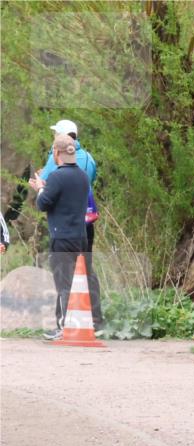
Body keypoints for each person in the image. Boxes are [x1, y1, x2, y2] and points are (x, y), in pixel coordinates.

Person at [40, 119, 102, 332]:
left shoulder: (55, 159)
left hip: (64, 226)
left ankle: (64, 324)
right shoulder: (89, 159)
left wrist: (41, 187)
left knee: (63, 277)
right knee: (87, 270)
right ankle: (95, 318)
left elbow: (48, 186)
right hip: (84, 223)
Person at [28, 135, 91, 341]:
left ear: (57, 153)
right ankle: (67, 323)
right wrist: (48, 187)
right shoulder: (82, 176)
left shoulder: (57, 176)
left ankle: (64, 327)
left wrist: (40, 188)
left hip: (62, 237)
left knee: (63, 284)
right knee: (75, 282)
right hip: (80, 236)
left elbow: (42, 204)